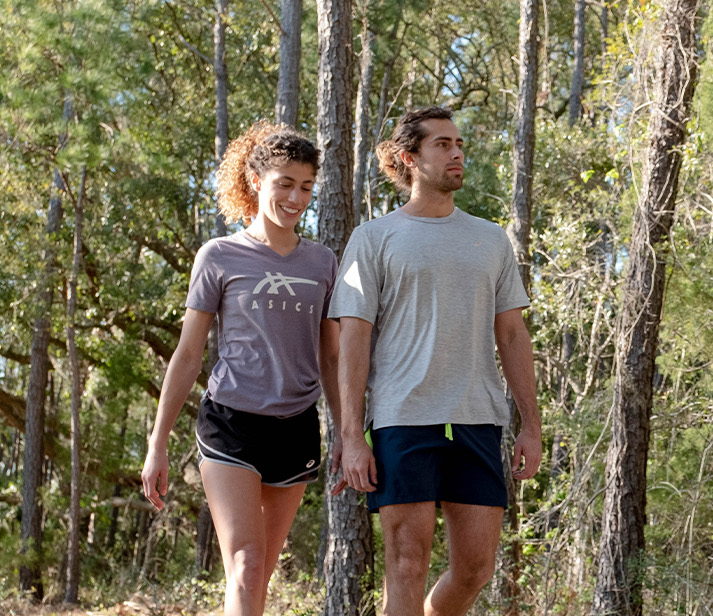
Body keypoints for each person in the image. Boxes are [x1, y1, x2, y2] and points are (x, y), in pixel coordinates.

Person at [329, 106, 542, 616]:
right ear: (410, 158)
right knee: (406, 564)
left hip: (477, 418)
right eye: (442, 145)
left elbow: (512, 334)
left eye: (459, 144)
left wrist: (531, 425)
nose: (457, 153)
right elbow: (353, 338)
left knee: (475, 567)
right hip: (403, 419)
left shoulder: (490, 239)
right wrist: (352, 435)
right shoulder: (374, 238)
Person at [140, 121, 339, 616]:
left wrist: (350, 433)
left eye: (306, 187)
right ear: (255, 180)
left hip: (295, 426)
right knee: (247, 567)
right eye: (285, 184)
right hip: (230, 421)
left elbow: (331, 355)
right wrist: (157, 442)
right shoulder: (220, 256)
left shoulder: (322, 263)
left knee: (258, 575)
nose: (296, 198)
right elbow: (188, 354)